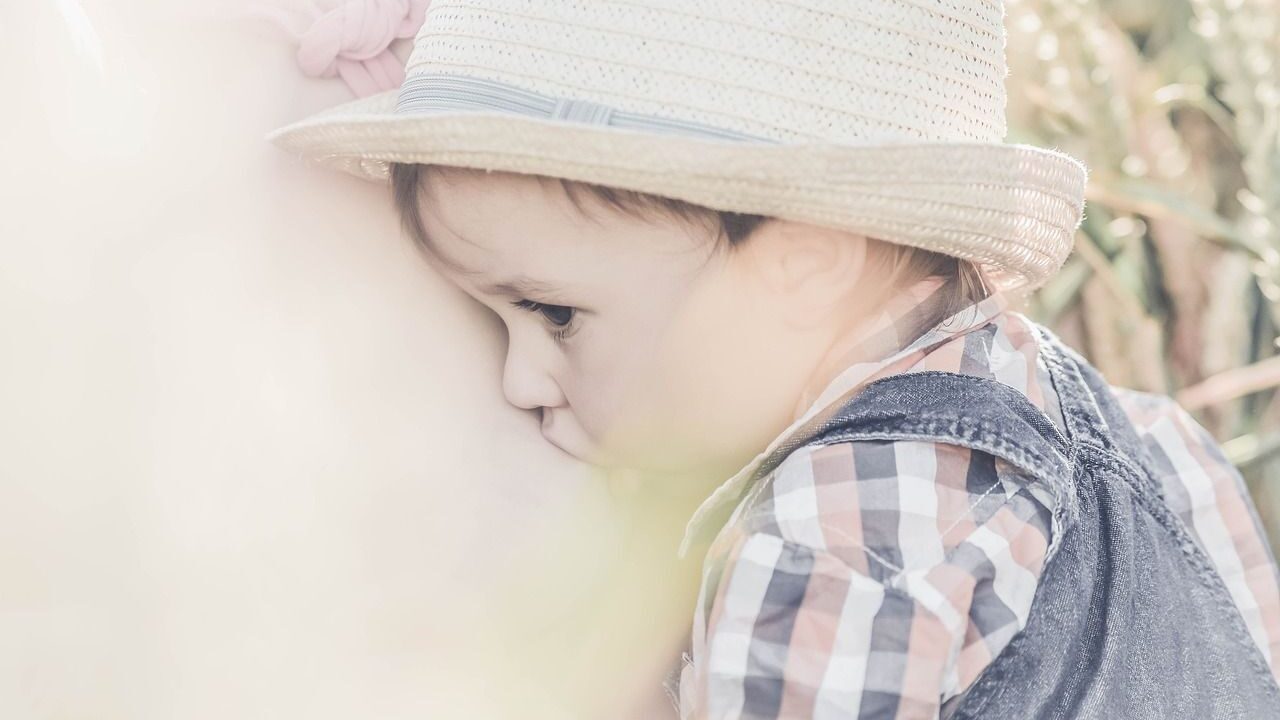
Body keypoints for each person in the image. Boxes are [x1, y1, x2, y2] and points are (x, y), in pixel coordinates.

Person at [266, 0, 1280, 717]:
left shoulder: (831, 536)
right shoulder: (1156, 441)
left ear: (801, 267)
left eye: (556, 314)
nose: (519, 382)